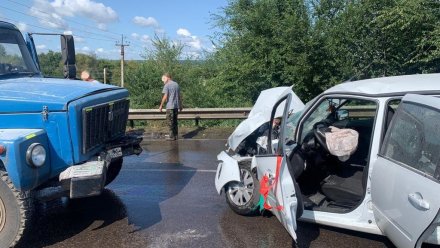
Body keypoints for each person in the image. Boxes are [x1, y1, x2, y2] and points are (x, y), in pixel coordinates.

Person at [159, 73, 182, 140]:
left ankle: (171, 136)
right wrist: (180, 105)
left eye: (164, 79)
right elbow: (179, 96)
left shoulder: (167, 85)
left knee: (170, 122)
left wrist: (161, 105)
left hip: (170, 106)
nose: (163, 81)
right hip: (176, 106)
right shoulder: (176, 84)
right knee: (175, 121)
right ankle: (176, 136)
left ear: (168, 77)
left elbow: (165, 96)